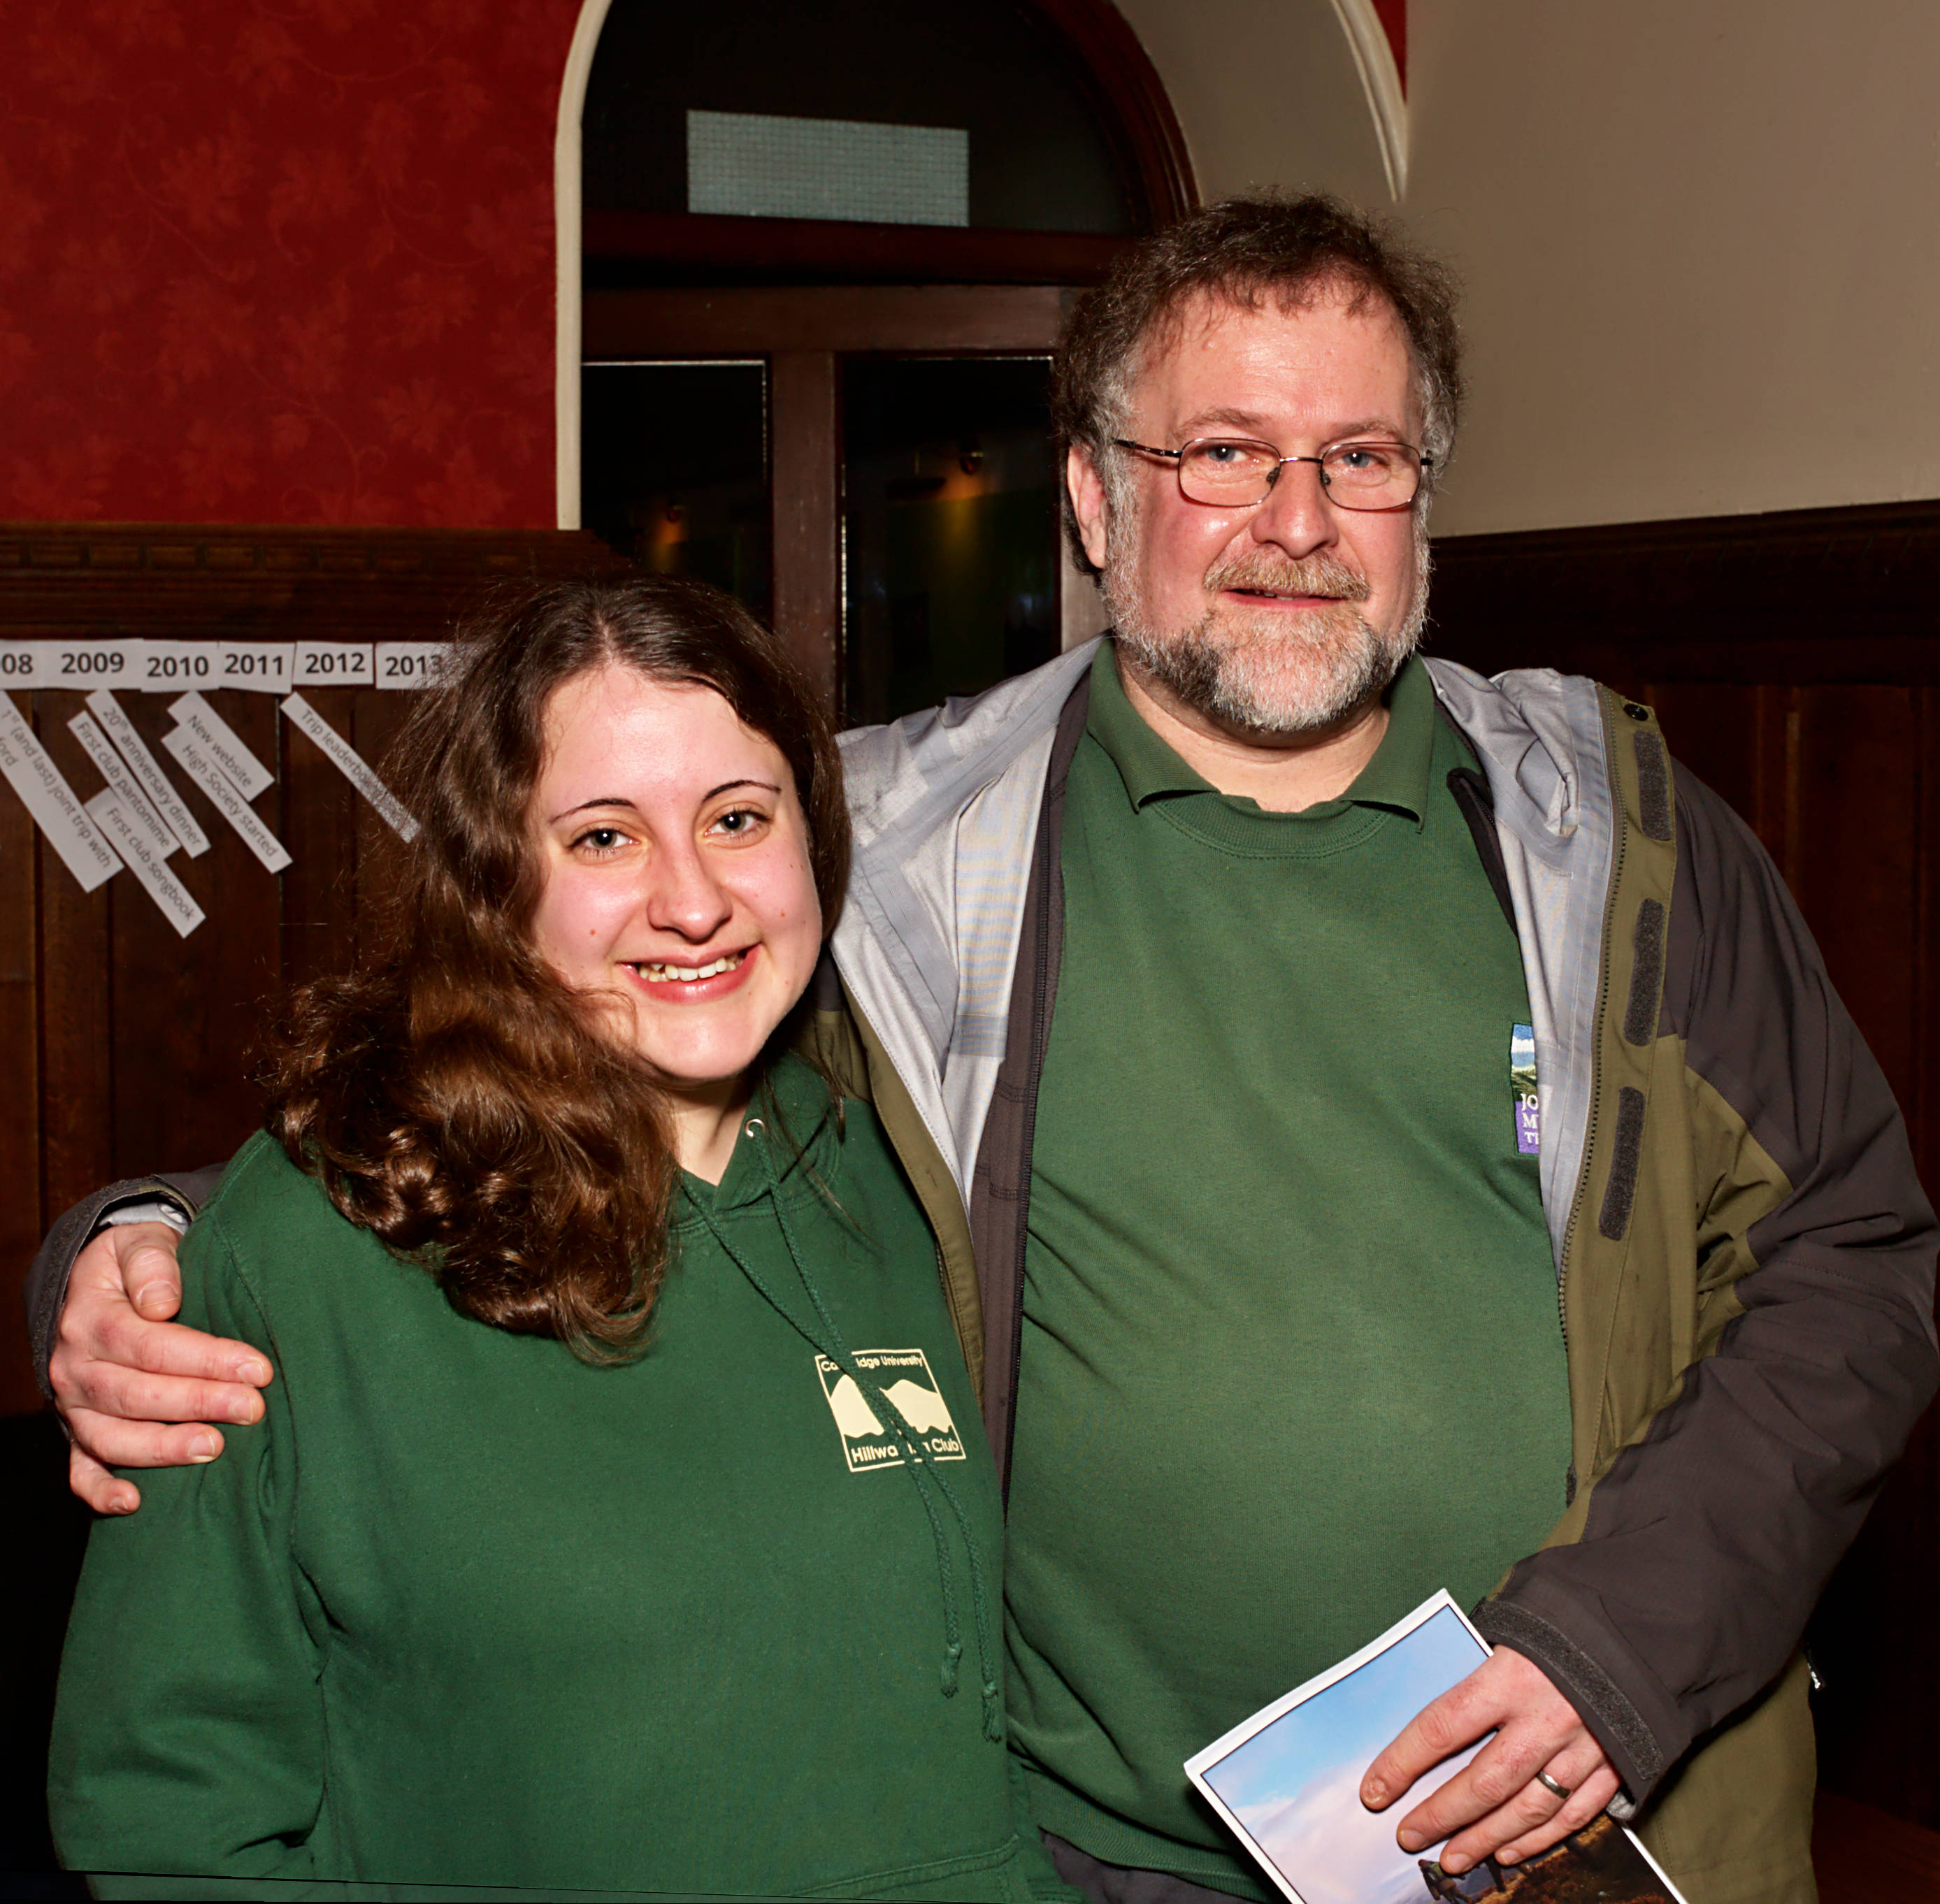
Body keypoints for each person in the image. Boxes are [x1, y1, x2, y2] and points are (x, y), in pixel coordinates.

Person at [34, 197, 1939, 1904]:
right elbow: (552, 1053)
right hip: (1079, 1855)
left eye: (1358, 457)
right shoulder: (888, 849)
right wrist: (143, 1250)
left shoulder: (1620, 838)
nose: (1296, 520)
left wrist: (1619, 1649)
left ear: (1419, 497)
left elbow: (1853, 1261)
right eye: (1223, 452)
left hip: (1566, 1838)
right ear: (1095, 502)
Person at [44, 577, 1070, 1902]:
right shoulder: (308, 1249)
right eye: (603, 838)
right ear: (495, 881)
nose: (692, 902)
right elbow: (165, 1818)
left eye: (739, 819)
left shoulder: (907, 1175)